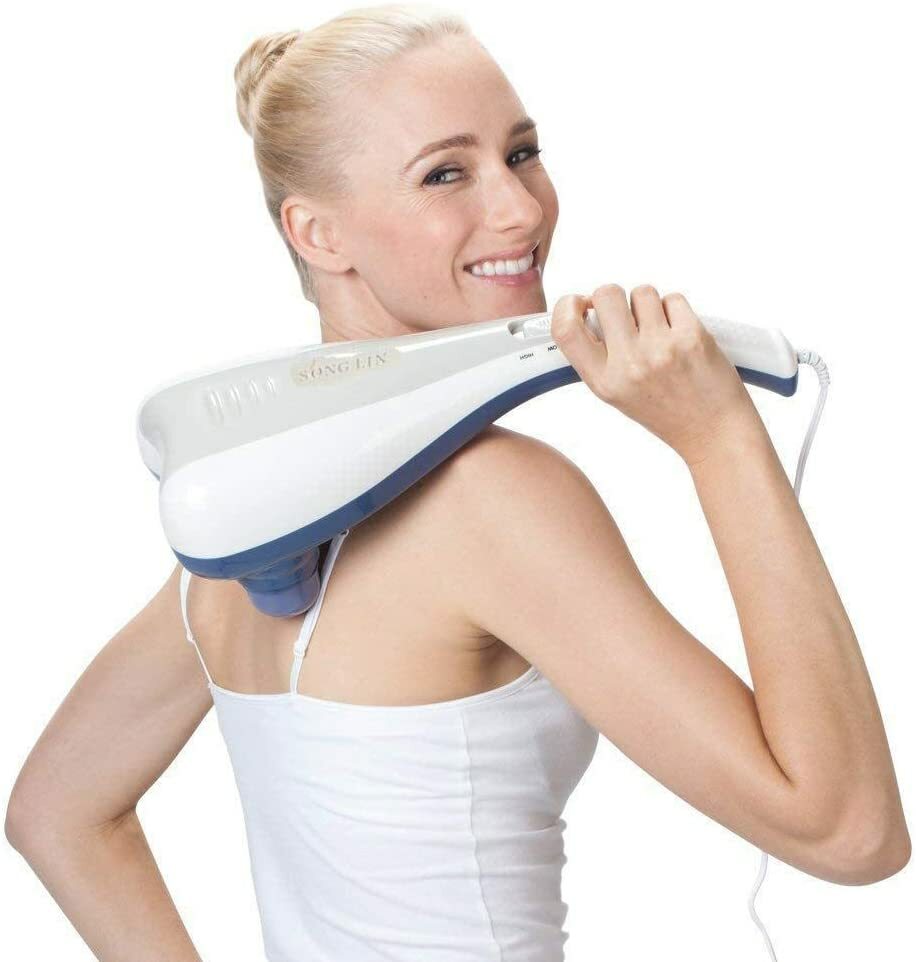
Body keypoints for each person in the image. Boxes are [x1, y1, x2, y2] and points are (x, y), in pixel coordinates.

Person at [5, 4, 910, 961]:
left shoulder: (239, 531)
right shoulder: (489, 499)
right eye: (446, 173)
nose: (521, 209)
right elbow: (847, 833)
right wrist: (720, 436)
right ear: (317, 233)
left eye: (522, 153)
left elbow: (57, 812)